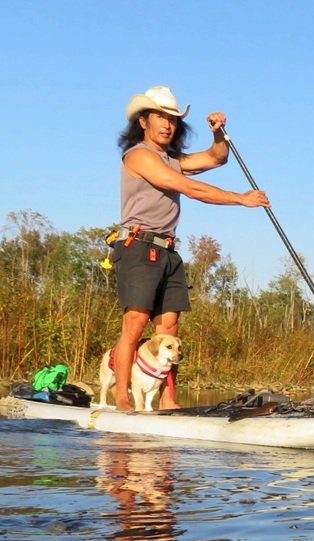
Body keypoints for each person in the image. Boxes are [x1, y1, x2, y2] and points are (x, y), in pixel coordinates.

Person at [111, 86, 270, 411]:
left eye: (172, 119)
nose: (167, 125)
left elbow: (216, 158)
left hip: (168, 252)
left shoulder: (173, 159)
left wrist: (219, 133)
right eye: (160, 117)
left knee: (169, 330)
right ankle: (123, 399)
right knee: (135, 326)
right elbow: (187, 187)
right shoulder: (138, 155)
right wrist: (240, 198)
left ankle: (168, 399)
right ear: (144, 121)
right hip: (138, 247)